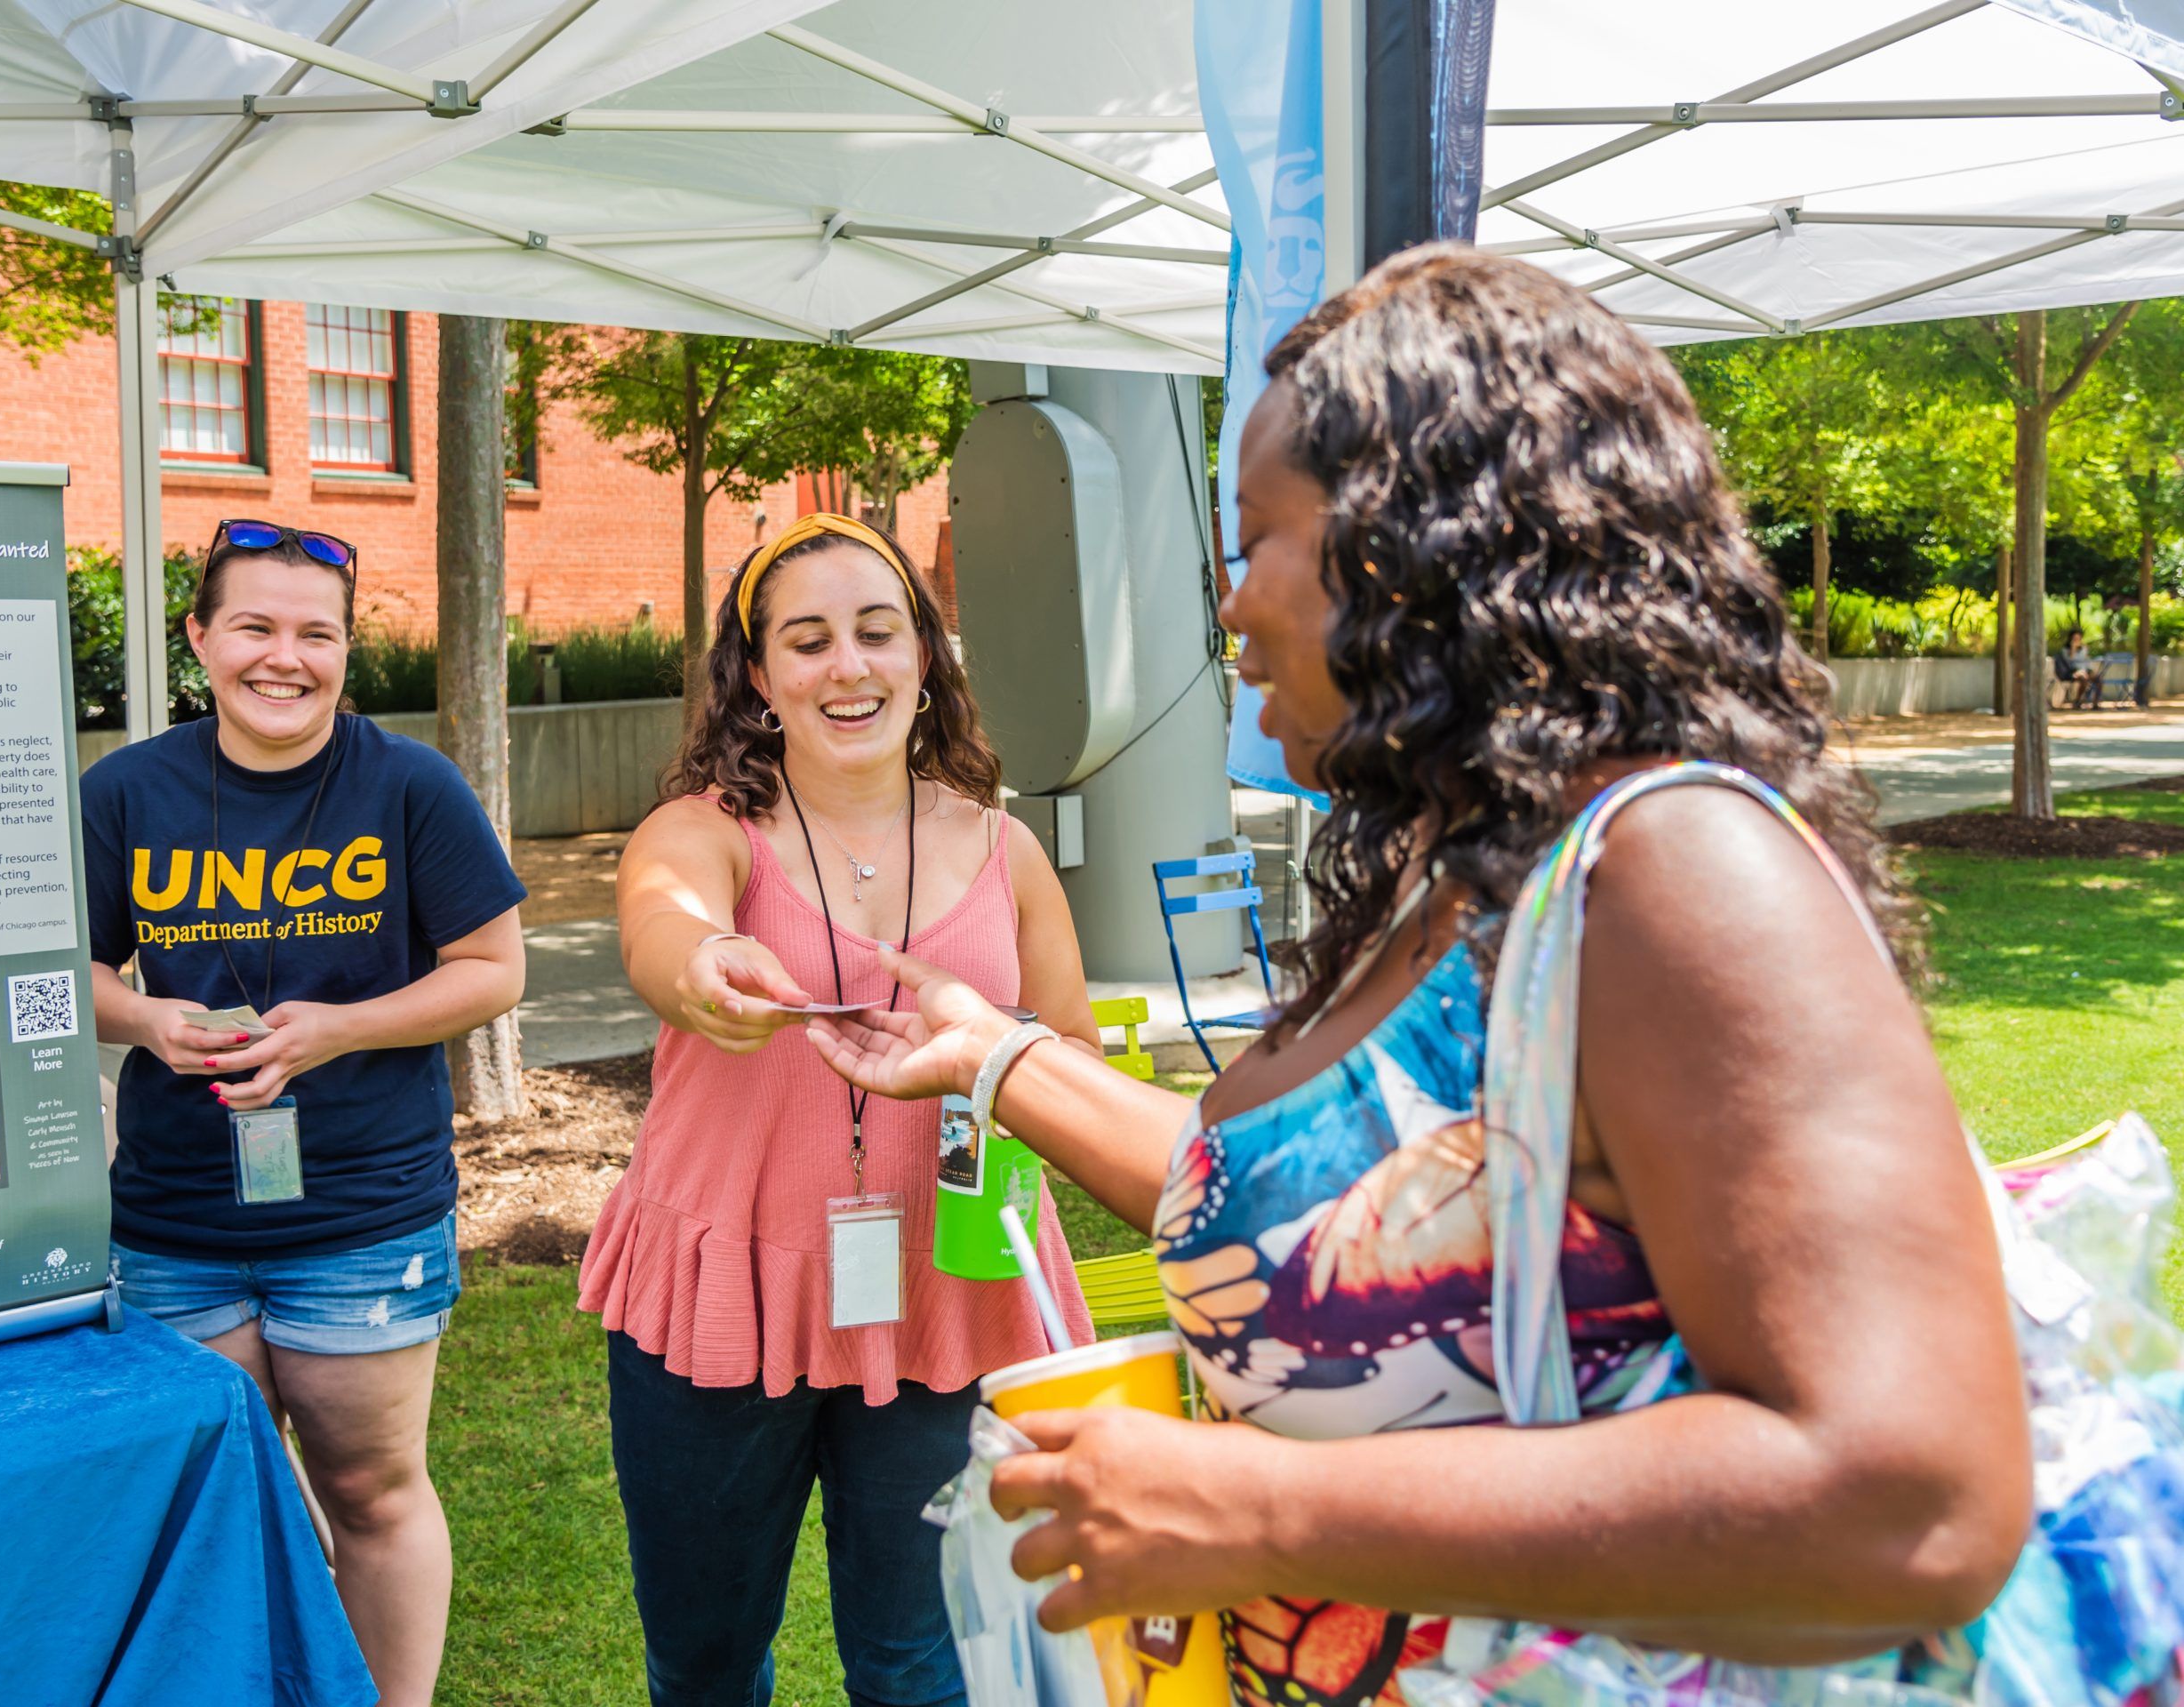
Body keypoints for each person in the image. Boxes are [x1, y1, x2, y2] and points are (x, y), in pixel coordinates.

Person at [808, 249, 2035, 1707]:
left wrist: (1253, 1511)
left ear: (1415, 541)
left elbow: (1910, 1500)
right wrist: (997, 1055)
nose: (1230, 600)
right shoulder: (1451, 873)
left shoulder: (1669, 869)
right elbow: (1296, 1208)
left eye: (1257, 536)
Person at [582, 511, 1100, 1707]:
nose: (848, 666)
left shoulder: (1005, 848)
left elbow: (1068, 1051)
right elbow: (664, 919)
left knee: (921, 1661)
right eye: (806, 641)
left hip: (947, 1288)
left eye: (877, 632)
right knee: (706, 1661)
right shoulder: (701, 830)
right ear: (758, 676)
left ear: (926, 653)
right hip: (725, 1294)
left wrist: (997, 1063)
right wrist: (704, 966)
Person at [84, 520, 528, 1707]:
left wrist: (336, 1028)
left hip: (364, 1216)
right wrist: (147, 1021)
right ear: (200, 638)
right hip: (175, 1220)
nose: (286, 658)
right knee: (218, 1505)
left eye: (316, 634)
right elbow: (60, 975)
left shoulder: (408, 785)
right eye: (256, 627)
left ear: (346, 649)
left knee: (373, 1492)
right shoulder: (128, 790)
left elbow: (492, 967)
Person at [2055, 627, 2105, 707]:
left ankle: (2095, 703)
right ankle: (2078, 701)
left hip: (2085, 669)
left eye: (2079, 638)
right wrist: (2073, 648)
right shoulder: (2065, 650)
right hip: (2072, 671)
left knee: (2098, 679)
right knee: (2084, 679)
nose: (2077, 640)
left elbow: (2086, 660)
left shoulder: (2083, 648)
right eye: (2075, 638)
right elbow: (2069, 661)